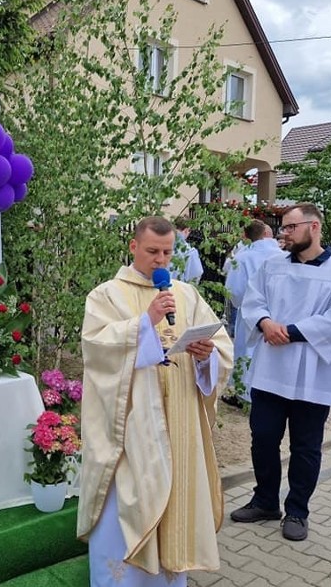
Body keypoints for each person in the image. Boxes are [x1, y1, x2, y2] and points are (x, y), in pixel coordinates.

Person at [79, 216, 233, 586]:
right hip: (133, 430)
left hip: (178, 422)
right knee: (128, 508)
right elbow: (97, 348)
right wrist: (144, 323)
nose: (160, 260)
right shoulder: (107, 295)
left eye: (167, 252)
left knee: (174, 510)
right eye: (152, 251)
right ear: (134, 248)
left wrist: (204, 355)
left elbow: (222, 347)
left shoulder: (186, 294)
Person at [231, 203, 331, 542]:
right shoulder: (271, 265)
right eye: (282, 227)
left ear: (314, 227)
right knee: (262, 438)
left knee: (305, 447)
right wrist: (264, 323)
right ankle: (265, 501)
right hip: (271, 369)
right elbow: (252, 300)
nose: (283, 233)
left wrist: (289, 331)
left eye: (290, 227)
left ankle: (297, 511)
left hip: (313, 374)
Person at [223, 220, 285, 401]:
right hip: (278, 312)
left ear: (246, 236)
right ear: (267, 234)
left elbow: (234, 290)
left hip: (250, 313)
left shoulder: (242, 257)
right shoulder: (282, 255)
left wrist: (242, 304)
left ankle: (245, 394)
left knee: (246, 352)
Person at [169, 216, 203, 283]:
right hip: (179, 289)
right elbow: (195, 276)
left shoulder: (161, 243)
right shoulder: (189, 251)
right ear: (186, 230)